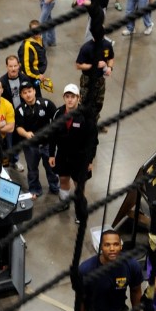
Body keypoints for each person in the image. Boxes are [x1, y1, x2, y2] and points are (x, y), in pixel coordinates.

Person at [48, 84, 98, 215]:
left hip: (80, 158)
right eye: (67, 96)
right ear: (64, 98)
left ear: (79, 98)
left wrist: (90, 160)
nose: (70, 100)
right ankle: (64, 203)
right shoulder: (58, 114)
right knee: (63, 179)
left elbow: (93, 141)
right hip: (63, 156)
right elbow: (52, 135)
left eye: (73, 97)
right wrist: (51, 154)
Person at [14, 79, 60, 199]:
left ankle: (54, 186)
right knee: (32, 169)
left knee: (51, 167)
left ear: (34, 91)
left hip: (47, 144)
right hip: (30, 145)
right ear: (21, 95)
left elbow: (57, 120)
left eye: (30, 91)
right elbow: (18, 127)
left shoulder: (46, 104)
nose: (28, 94)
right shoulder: (19, 110)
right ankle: (34, 189)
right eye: (24, 93)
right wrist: (26, 133)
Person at [76, 32, 115, 128]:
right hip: (88, 81)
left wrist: (109, 67)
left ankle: (93, 125)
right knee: (85, 105)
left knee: (98, 104)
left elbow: (111, 58)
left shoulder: (107, 45)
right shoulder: (86, 47)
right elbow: (78, 65)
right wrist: (93, 66)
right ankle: (83, 127)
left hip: (100, 80)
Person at [18, 20, 48, 89]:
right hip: (29, 79)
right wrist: (37, 75)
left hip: (37, 76)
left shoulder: (39, 39)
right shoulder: (27, 46)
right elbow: (26, 68)